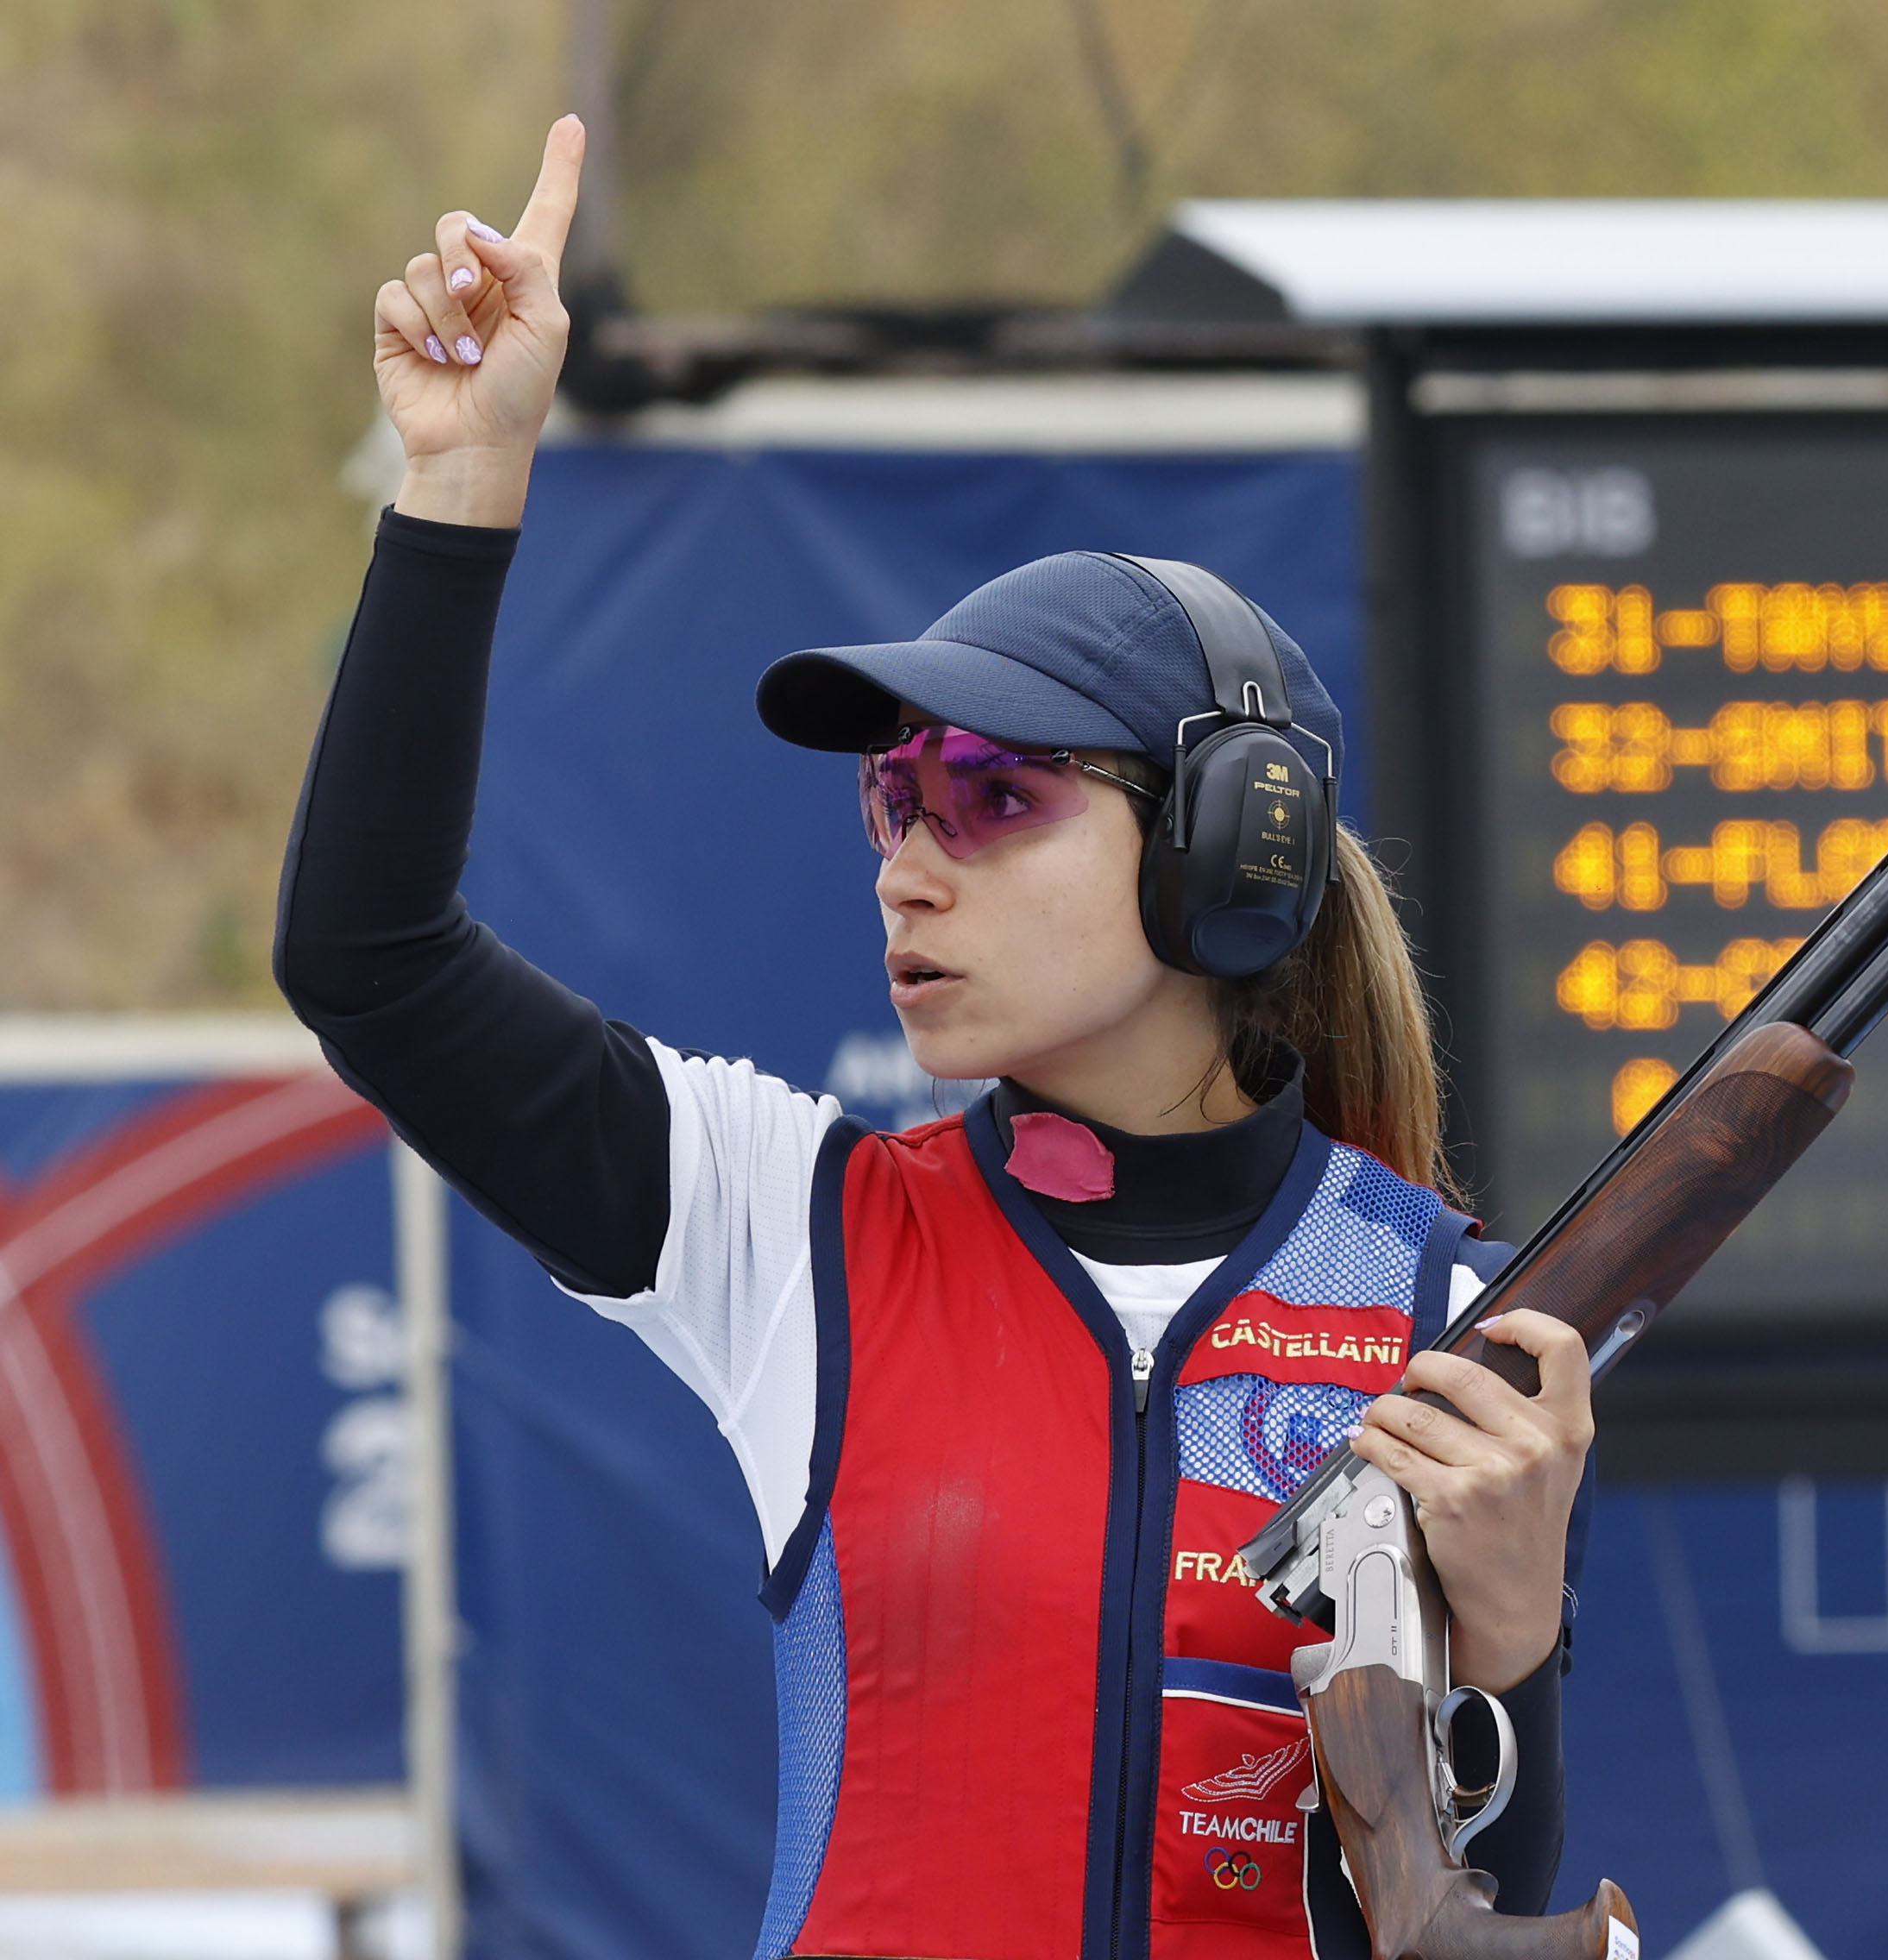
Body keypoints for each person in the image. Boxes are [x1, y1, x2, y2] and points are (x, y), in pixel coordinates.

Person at [274, 116, 1595, 1960]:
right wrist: (466, 477)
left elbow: (1474, 1927)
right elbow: (371, 960)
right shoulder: (793, 1228)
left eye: (989, 793)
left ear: (1238, 843)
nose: (909, 863)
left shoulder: (1443, 1316)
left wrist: (1515, 1644)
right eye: (891, 799)